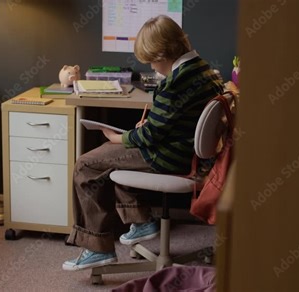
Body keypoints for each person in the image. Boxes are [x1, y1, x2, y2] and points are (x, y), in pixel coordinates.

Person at [63, 15, 224, 271]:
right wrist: (144, 130)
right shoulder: (203, 69)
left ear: (162, 54)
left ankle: (97, 248)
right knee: (110, 156)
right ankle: (141, 221)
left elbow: (150, 137)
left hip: (171, 157)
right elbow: (167, 125)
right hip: (190, 154)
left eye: (151, 61)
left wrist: (121, 137)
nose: (152, 66)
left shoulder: (175, 83)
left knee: (87, 165)